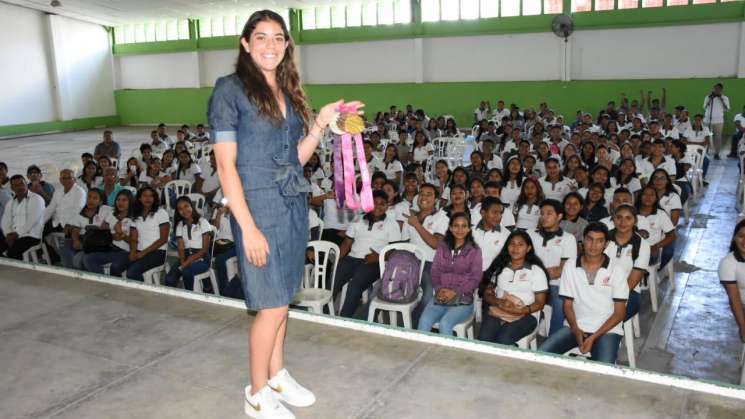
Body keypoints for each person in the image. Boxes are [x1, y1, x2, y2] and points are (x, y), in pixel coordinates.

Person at [208, 10, 357, 417]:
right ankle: (257, 393)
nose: (270, 46)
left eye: (278, 38)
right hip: (256, 205)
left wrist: (321, 124)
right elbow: (226, 168)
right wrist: (248, 228)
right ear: (245, 43)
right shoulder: (230, 90)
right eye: (261, 37)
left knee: (283, 298)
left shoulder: (289, 94)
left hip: (291, 202)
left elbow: (295, 159)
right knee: (269, 305)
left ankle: (277, 375)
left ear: (287, 45)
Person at [539, 222, 630, 364]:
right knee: (541, 354)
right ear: (583, 240)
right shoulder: (570, 265)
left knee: (603, 368)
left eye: (599, 241)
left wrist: (593, 338)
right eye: (590, 239)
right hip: (575, 326)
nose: (593, 245)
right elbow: (567, 305)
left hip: (607, 330)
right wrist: (576, 330)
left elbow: (620, 313)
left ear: (606, 244)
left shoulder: (616, 270)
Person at [335, 191, 401, 318]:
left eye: (383, 204)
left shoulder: (392, 224)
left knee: (355, 285)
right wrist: (338, 259)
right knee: (334, 280)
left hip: (373, 262)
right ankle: (325, 313)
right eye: (375, 203)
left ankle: (344, 319)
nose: (378, 206)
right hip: (352, 258)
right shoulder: (358, 219)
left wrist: (380, 257)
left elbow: (395, 250)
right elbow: (346, 244)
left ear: (387, 206)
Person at [478, 230, 548, 345]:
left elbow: (540, 303)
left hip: (527, 315)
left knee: (503, 338)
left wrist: (520, 310)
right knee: (484, 338)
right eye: (512, 244)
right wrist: (499, 302)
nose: (515, 248)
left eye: (520, 244)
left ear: (528, 248)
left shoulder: (536, 271)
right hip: (500, 309)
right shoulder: (500, 266)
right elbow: (487, 293)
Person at [417, 212, 482, 336]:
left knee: (445, 323)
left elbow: (476, 278)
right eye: (456, 225)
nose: (460, 229)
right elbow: (435, 271)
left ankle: (447, 355)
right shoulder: (443, 247)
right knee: (424, 321)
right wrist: (440, 289)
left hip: (463, 297)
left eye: (464, 226)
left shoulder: (474, 251)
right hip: (441, 295)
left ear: (469, 229)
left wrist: (455, 291)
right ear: (450, 228)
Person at [529, 199, 577, 336]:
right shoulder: (531, 235)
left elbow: (561, 270)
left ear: (559, 216)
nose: (544, 217)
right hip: (529, 281)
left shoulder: (568, 239)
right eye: (542, 213)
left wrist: (537, 273)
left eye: (549, 213)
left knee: (559, 302)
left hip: (555, 285)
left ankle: (553, 341)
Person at [114, 186, 169, 281]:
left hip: (157, 252)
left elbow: (163, 239)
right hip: (138, 250)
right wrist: (132, 252)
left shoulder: (161, 213)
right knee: (116, 267)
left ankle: (142, 292)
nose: (148, 198)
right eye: (145, 196)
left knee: (132, 272)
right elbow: (134, 238)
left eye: (151, 196)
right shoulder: (135, 215)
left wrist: (142, 253)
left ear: (154, 198)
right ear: (139, 198)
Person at [164, 196, 213, 291]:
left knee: (186, 272)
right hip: (186, 256)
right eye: (180, 209)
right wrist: (183, 262)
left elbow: (205, 249)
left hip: (201, 258)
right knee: (169, 279)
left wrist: (186, 263)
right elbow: (181, 248)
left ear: (192, 206)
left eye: (186, 206)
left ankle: (190, 294)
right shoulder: (180, 225)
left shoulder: (202, 222)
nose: (184, 210)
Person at [83, 189, 134, 275]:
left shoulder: (134, 218)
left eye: (124, 200)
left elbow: (134, 241)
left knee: (115, 267)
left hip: (125, 251)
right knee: (88, 259)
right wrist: (113, 234)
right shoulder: (112, 213)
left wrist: (122, 235)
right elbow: (104, 230)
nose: (120, 203)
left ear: (130, 202)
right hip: (109, 247)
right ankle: (102, 281)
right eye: (118, 200)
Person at [65, 189, 111, 270]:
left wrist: (105, 226)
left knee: (78, 260)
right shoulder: (80, 211)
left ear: (100, 201)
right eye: (89, 197)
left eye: (95, 198)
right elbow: (75, 229)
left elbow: (114, 223)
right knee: (67, 245)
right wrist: (76, 240)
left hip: (101, 244)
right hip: (85, 243)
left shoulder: (106, 210)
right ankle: (70, 273)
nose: (91, 200)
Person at [1, 175, 45, 260]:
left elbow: (32, 221)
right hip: (13, 235)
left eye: (22, 184)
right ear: (12, 188)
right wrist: (8, 234)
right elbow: (5, 221)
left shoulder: (36, 199)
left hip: (32, 235)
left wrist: (16, 234)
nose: (20, 187)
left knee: (12, 252)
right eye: (16, 185)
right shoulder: (11, 202)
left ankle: (16, 271)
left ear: (26, 184)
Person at [719, 219, 745, 344]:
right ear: (734, 238)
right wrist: (743, 327)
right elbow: (734, 298)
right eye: (741, 236)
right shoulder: (728, 263)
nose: (744, 241)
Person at [43, 170, 86, 237]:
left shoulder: (80, 192)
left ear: (74, 179)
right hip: (56, 222)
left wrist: (69, 224)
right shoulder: (58, 191)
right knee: (38, 231)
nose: (66, 180)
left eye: (69, 178)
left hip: (71, 224)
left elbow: (78, 210)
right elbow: (50, 208)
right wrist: (40, 222)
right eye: (64, 178)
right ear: (60, 180)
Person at [472, 197, 510, 272]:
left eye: (500, 213)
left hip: (491, 280)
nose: (499, 216)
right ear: (483, 213)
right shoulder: (469, 232)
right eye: (495, 212)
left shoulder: (507, 236)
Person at [703, 83, 730, 160]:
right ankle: (705, 151)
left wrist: (721, 99)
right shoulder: (708, 97)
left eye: (718, 89)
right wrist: (710, 99)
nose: (716, 90)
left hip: (719, 121)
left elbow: (727, 109)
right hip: (707, 120)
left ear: (721, 90)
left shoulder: (725, 98)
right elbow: (705, 107)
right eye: (715, 88)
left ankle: (717, 153)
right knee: (706, 136)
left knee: (717, 138)